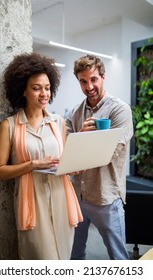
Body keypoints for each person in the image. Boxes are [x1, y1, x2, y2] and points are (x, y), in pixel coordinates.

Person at [0, 52, 82, 260]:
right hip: (32, 201)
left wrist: (76, 164)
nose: (44, 94)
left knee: (64, 259)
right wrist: (32, 164)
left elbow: (65, 159)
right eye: (36, 88)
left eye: (48, 88)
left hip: (62, 198)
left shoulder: (58, 122)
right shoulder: (10, 126)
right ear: (23, 90)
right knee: (41, 261)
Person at [65, 54, 133, 260]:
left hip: (106, 196)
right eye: (83, 81)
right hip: (77, 195)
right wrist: (79, 140)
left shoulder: (119, 110)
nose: (89, 86)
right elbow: (66, 151)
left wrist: (81, 142)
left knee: (118, 257)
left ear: (103, 77)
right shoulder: (75, 113)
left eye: (93, 79)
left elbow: (110, 153)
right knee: (74, 255)